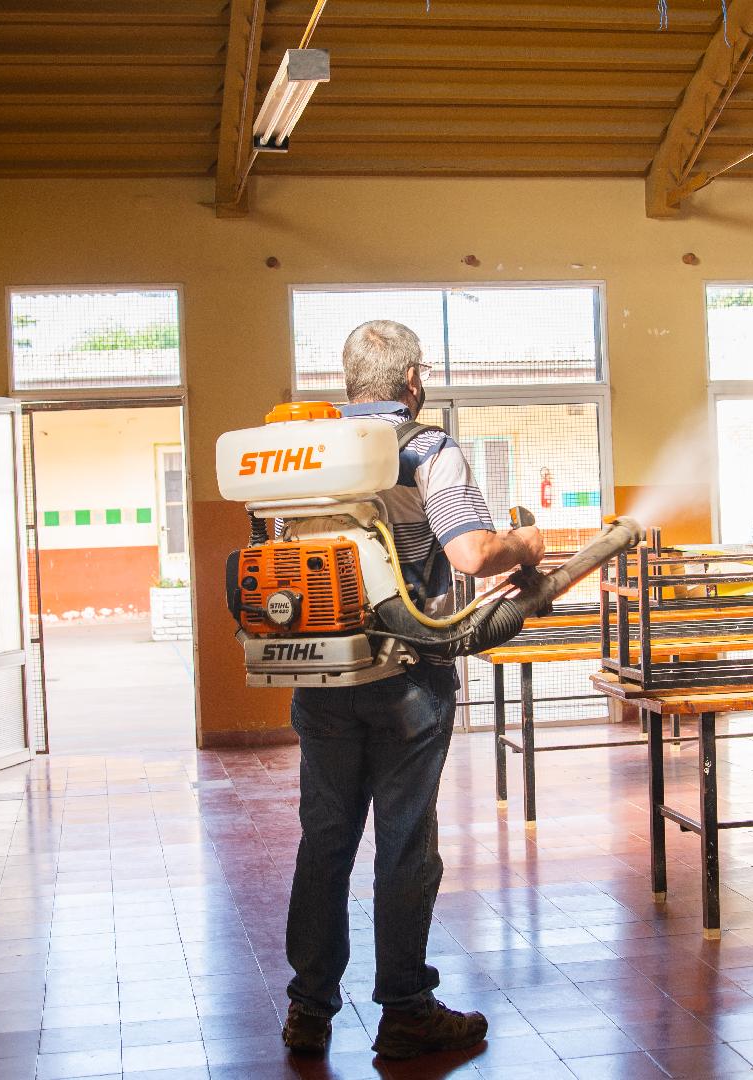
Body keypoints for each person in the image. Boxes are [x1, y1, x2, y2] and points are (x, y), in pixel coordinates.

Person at [280, 320, 544, 1059]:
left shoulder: (294, 454)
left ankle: (309, 1011)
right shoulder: (425, 446)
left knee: (325, 841)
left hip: (319, 672)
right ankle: (405, 1009)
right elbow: (470, 551)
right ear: (413, 381)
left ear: (346, 381)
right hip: (409, 677)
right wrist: (526, 543)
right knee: (404, 844)